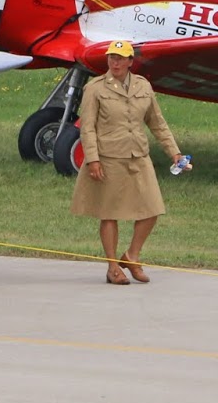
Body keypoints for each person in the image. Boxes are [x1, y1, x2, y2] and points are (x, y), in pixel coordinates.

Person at [70, 40, 188, 285]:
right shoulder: (95, 88)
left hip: (138, 156)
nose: (115, 62)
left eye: (121, 58)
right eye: (112, 57)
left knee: (152, 208)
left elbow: (157, 123)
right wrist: (92, 159)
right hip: (109, 158)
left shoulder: (143, 86)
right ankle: (113, 267)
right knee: (109, 213)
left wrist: (174, 153)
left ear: (130, 61)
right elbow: (87, 127)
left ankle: (131, 255)